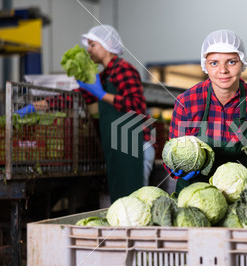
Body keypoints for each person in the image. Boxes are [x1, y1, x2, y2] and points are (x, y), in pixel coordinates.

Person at [17, 25, 155, 203]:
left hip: (135, 145)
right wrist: (35, 106)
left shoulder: (124, 70)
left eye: (92, 45)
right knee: (124, 205)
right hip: (119, 146)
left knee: (136, 204)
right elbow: (74, 98)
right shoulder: (105, 76)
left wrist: (102, 95)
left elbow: (136, 106)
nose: (88, 50)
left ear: (108, 45)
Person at [164, 29, 247, 193]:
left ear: (243, 63)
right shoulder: (186, 102)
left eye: (231, 62)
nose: (223, 70)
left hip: (245, 196)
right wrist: (176, 166)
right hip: (196, 196)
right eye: (214, 63)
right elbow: (172, 154)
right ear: (204, 65)